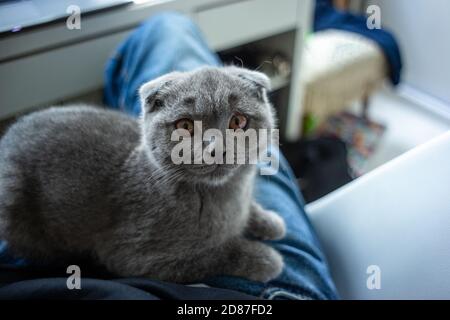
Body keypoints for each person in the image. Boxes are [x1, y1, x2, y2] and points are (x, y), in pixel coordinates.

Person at [0, 12, 338, 300]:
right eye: (186, 127)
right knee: (170, 29)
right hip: (32, 213)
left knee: (169, 27)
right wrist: (232, 257)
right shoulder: (159, 203)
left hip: (81, 136)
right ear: (152, 113)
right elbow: (134, 261)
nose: (215, 147)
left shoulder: (242, 160)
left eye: (237, 122)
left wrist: (249, 213)